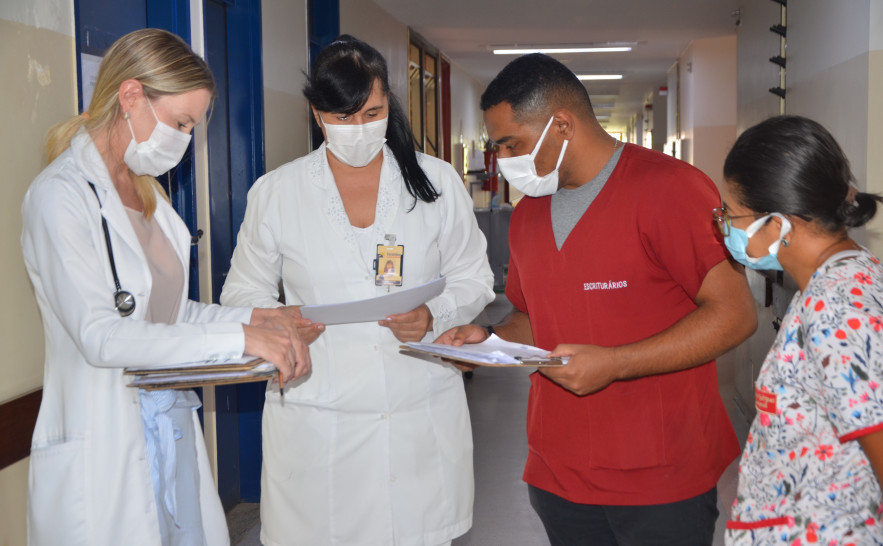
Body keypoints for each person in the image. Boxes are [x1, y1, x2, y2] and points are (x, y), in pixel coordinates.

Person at [437, 53, 758, 545]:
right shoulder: (529, 215)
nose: (504, 161)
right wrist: (490, 339)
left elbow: (734, 314)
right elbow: (535, 316)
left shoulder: (670, 188)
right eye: (498, 147)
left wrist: (617, 363)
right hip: (559, 473)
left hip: (660, 474)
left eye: (512, 144)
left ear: (562, 125)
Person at [21, 28, 311, 546]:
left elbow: (169, 316)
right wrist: (241, 339)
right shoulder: (58, 197)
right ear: (131, 96)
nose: (185, 140)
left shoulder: (149, 197)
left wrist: (257, 319)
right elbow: (102, 336)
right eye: (181, 123)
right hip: (102, 445)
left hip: (166, 425)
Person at [219, 35, 494, 546]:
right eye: (342, 117)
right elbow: (240, 295)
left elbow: (475, 276)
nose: (359, 128)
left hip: (417, 411)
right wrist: (280, 321)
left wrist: (434, 313)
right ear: (317, 114)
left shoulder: (435, 182)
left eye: (372, 113)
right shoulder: (277, 193)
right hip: (319, 416)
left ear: (390, 104)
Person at [717, 116, 883, 544]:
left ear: (777, 225)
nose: (724, 226)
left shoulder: (835, 308)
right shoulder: (840, 278)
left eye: (730, 214)